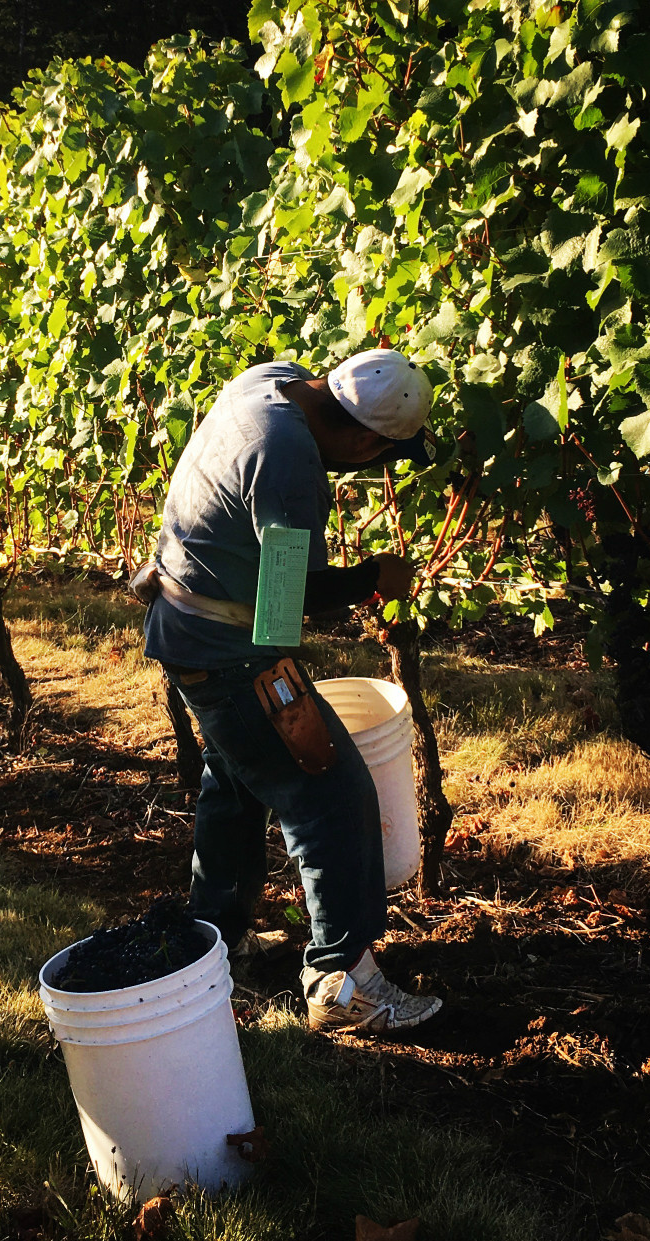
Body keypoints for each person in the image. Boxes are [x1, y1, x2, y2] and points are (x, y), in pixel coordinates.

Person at [138, 349, 442, 1034]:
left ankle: (213, 938)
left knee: (238, 780)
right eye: (381, 457)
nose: (372, 469)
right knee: (328, 790)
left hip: (185, 625)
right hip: (224, 649)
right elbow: (285, 601)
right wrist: (373, 579)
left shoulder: (271, 384)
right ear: (364, 438)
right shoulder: (287, 458)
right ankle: (346, 984)